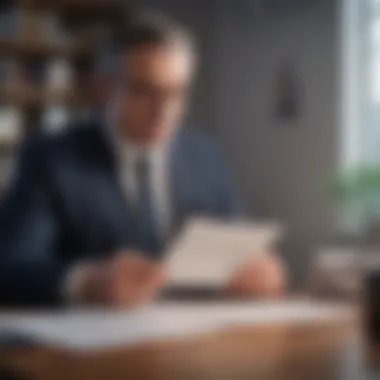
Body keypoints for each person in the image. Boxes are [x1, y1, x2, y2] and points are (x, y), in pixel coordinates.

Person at [0, 14, 286, 307]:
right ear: (103, 89)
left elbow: (239, 247)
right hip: (94, 341)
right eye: (143, 91)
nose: (163, 110)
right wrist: (84, 281)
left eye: (176, 93)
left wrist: (257, 269)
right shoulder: (50, 159)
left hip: (192, 338)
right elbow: (9, 266)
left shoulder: (206, 156)